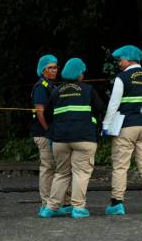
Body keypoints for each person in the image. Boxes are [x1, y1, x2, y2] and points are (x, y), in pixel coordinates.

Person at [39, 58, 104, 219]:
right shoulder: (88, 89)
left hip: (60, 139)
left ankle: (50, 208)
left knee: (61, 173)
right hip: (84, 137)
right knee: (81, 172)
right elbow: (100, 109)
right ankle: (78, 208)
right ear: (80, 73)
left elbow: (47, 114)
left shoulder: (56, 91)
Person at [102, 45, 142, 216]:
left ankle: (117, 203)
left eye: (121, 60)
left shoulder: (122, 77)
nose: (119, 63)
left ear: (128, 59)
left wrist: (106, 126)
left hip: (126, 126)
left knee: (120, 166)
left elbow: (113, 104)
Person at [31, 54, 71, 215]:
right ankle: (46, 204)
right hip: (44, 133)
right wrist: (48, 131)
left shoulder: (51, 86)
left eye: (55, 67)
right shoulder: (41, 87)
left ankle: (56, 203)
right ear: (42, 70)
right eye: (50, 68)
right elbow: (40, 111)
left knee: (56, 168)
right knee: (48, 168)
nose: (54, 70)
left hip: (52, 133)